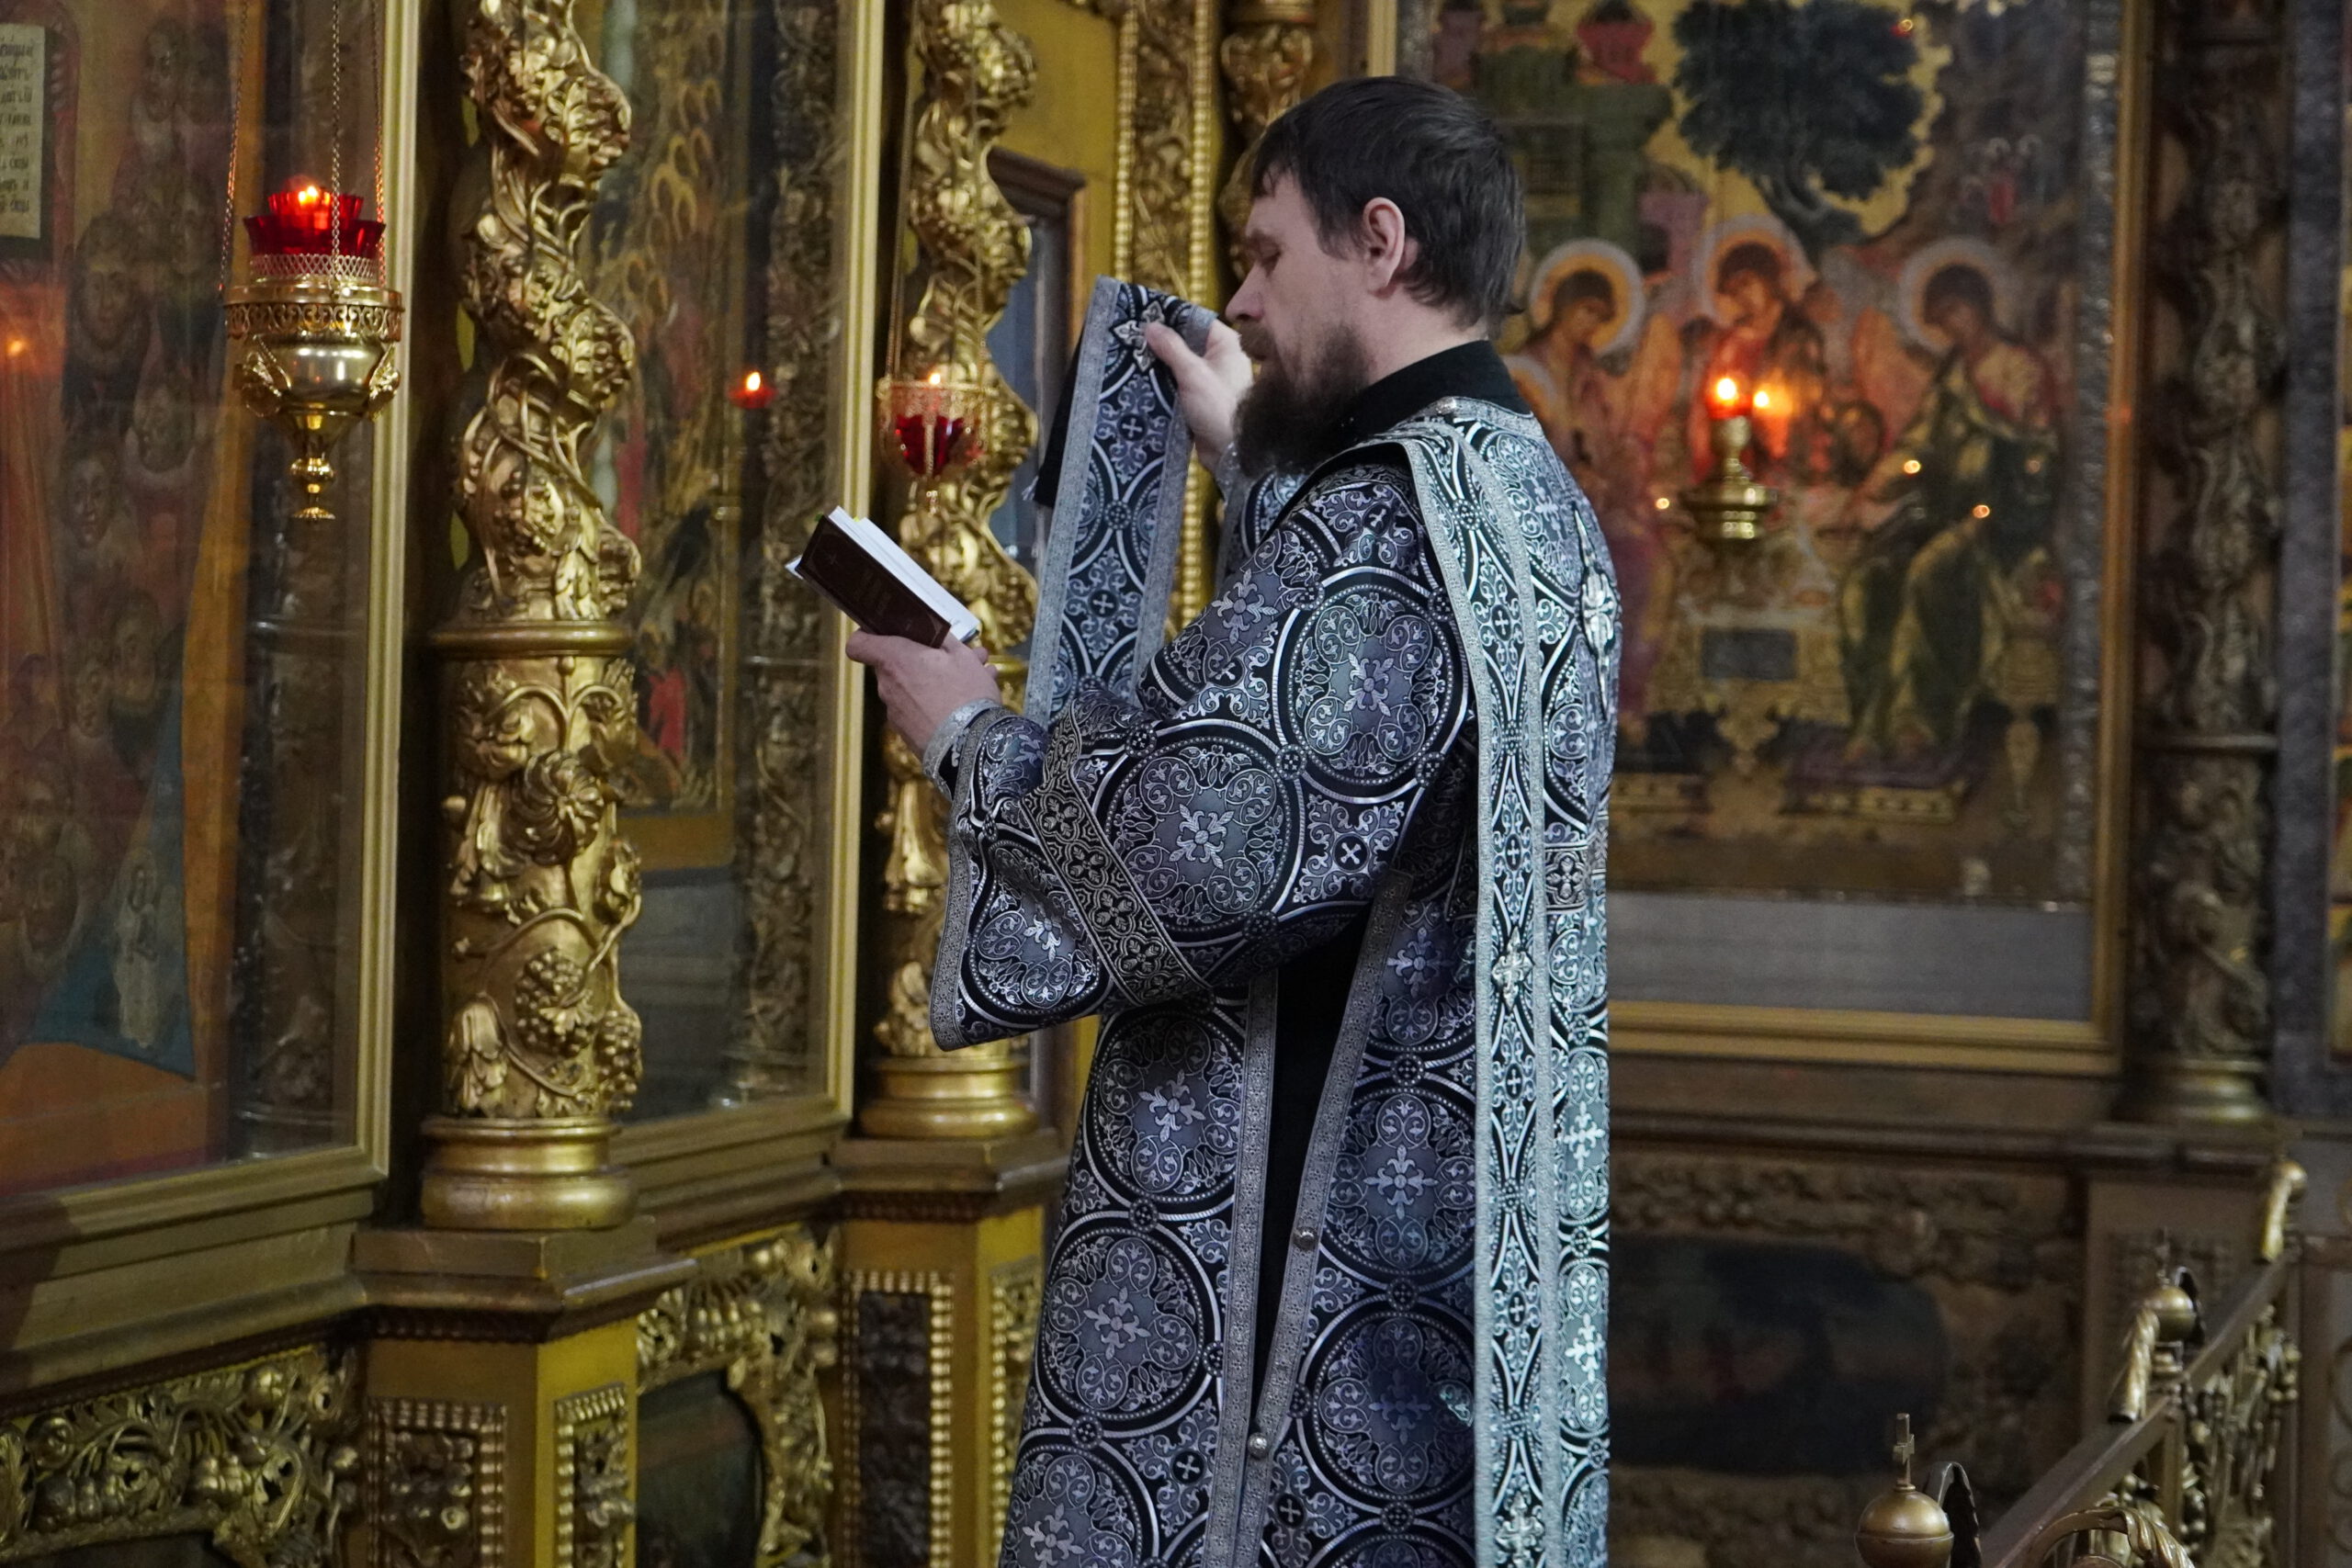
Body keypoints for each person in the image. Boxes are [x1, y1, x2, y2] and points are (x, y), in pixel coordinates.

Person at [850, 77, 1618, 1568]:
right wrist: (1258, 476)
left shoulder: (1389, 520)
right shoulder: (1522, 497)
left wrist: (965, 733)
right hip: (1447, 1216)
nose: (1246, 303)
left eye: (1268, 255)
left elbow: (1207, 851)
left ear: (1380, 242)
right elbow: (1365, 751)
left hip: (1314, 1240)